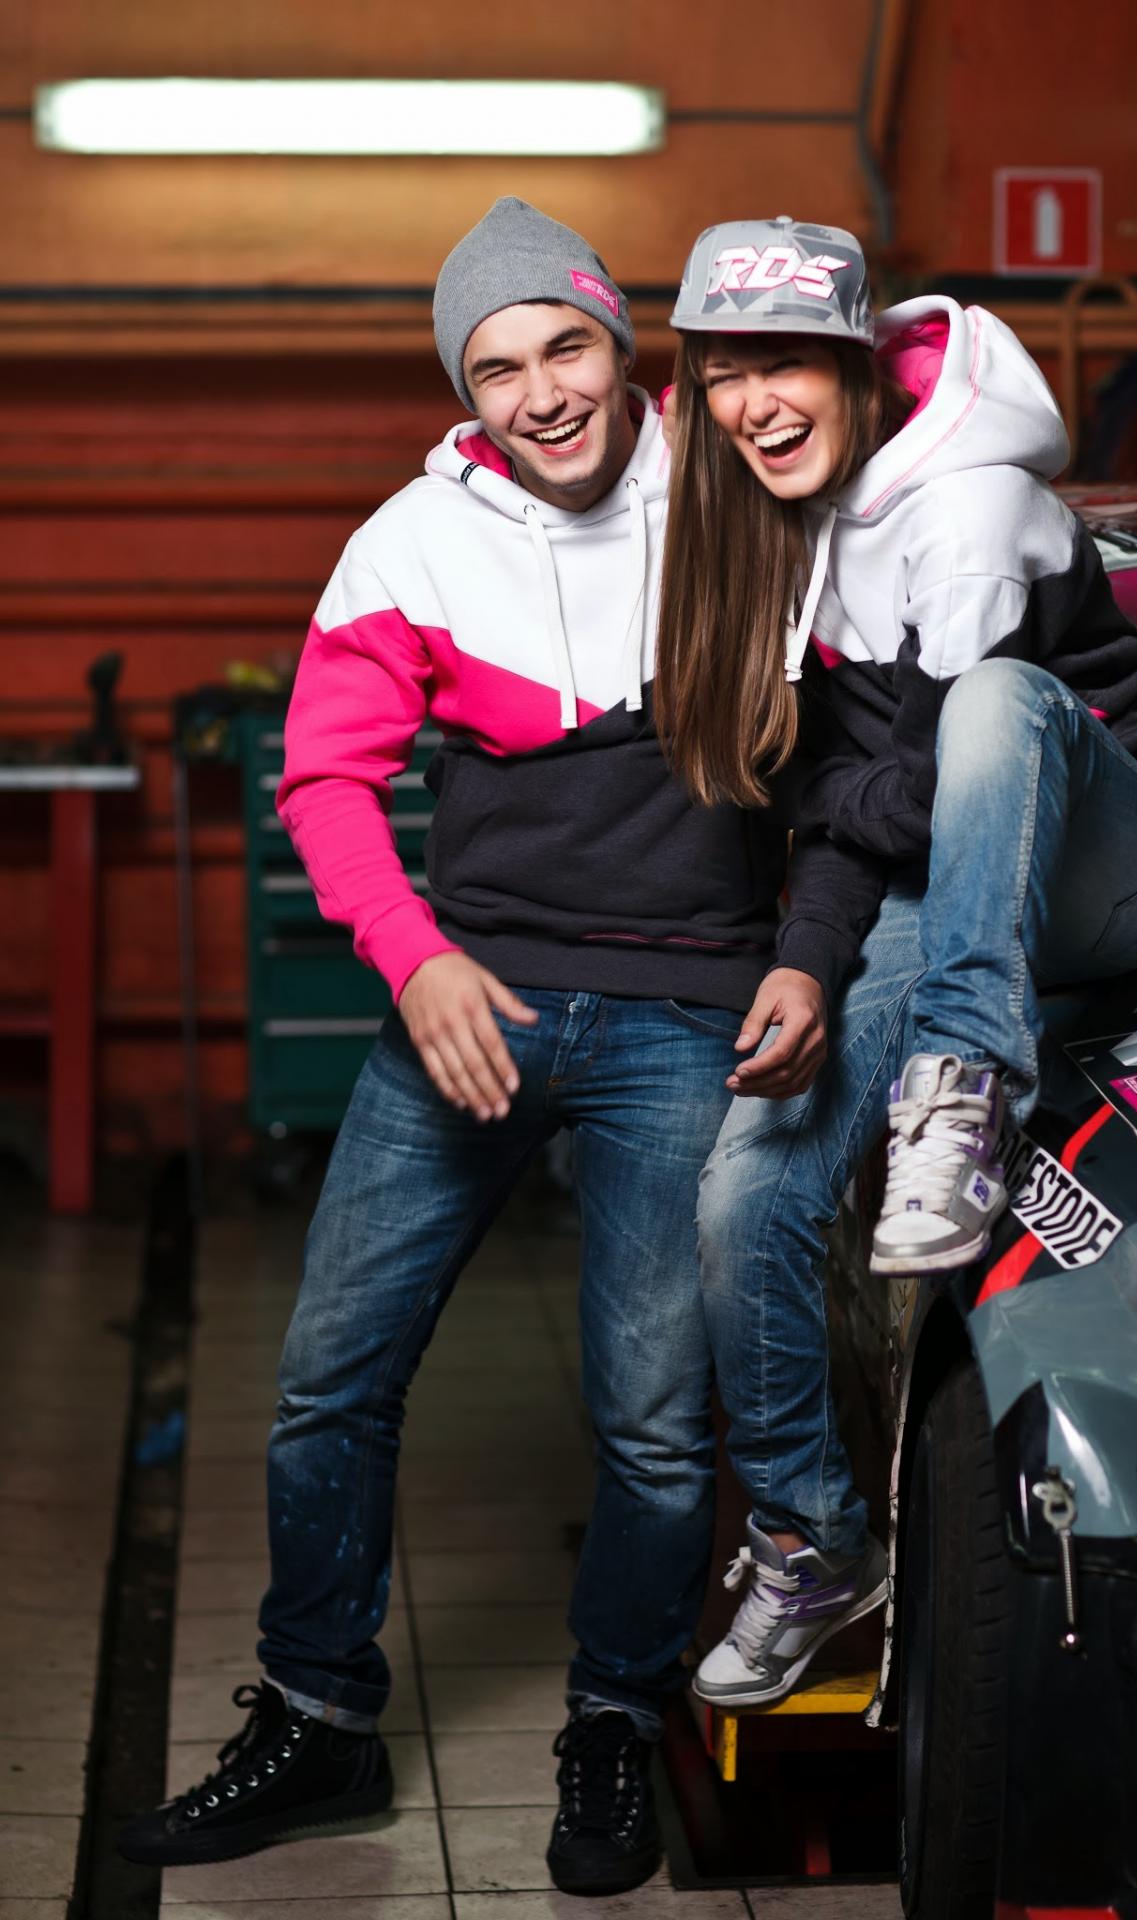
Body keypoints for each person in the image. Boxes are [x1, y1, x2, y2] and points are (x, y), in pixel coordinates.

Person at [118, 198, 872, 1897]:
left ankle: (612, 1717)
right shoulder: (411, 542)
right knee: (330, 1376)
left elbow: (846, 779)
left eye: (566, 346)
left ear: (623, 346)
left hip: (690, 1015)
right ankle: (318, 1714)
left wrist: (812, 956)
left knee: (657, 1423)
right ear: (467, 393)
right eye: (498, 368)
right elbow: (325, 777)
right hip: (477, 1004)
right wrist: (416, 961)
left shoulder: (747, 512)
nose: (542, 393)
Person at [655, 216, 1137, 1708]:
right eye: (724, 375)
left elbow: (920, 776)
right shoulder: (783, 534)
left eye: (786, 366)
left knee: (995, 708)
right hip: (944, 890)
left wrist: (830, 796)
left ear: (859, 366)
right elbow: (873, 810)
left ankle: (964, 1078)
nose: (755, 404)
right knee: (748, 1191)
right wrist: (804, 961)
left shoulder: (969, 505)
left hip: (1130, 865)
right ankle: (813, 1539)